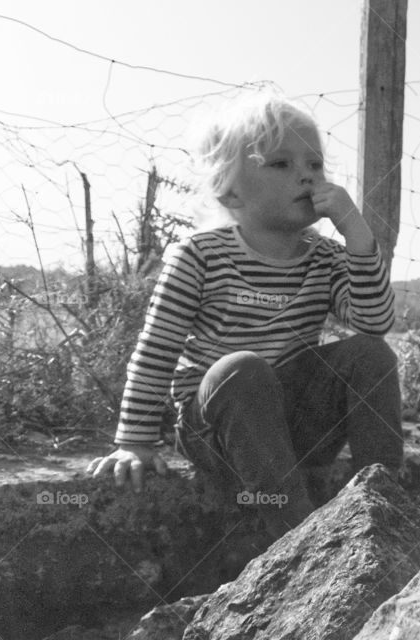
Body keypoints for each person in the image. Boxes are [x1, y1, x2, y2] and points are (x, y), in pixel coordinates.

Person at [86, 91, 402, 537]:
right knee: (242, 369)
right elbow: (157, 348)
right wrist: (135, 441)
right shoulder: (201, 255)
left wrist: (359, 237)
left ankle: (385, 505)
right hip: (217, 428)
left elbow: (373, 323)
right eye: (281, 164)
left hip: (296, 426)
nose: (307, 178)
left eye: (315, 165)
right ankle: (297, 533)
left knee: (372, 354)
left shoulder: (327, 258)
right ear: (230, 189)